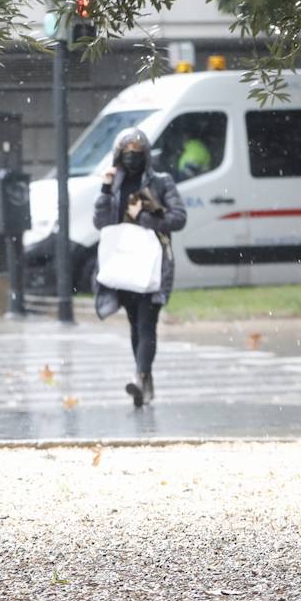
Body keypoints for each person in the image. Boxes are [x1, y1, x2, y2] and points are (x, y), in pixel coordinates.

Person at [93, 128, 187, 408]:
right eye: (126, 153)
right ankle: (145, 380)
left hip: (153, 263)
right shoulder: (115, 185)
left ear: (145, 156)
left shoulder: (161, 182)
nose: (132, 158)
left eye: (137, 153)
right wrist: (105, 190)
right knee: (135, 324)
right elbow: (101, 224)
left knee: (148, 322)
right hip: (125, 263)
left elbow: (179, 217)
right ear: (118, 156)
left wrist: (150, 217)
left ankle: (140, 375)